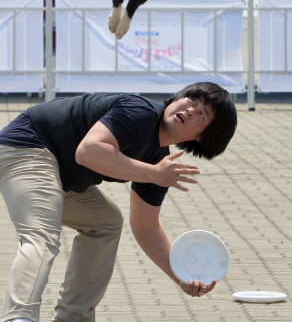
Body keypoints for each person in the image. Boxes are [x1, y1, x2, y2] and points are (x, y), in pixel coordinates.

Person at [0, 82, 237, 322]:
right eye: (192, 100)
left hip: (58, 174)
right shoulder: (140, 113)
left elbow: (146, 227)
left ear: (202, 137)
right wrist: (154, 173)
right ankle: (20, 317)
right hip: (27, 148)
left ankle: (74, 317)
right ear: (177, 98)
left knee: (107, 222)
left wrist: (182, 277)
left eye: (201, 114)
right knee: (42, 233)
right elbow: (88, 151)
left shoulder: (159, 160)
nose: (190, 109)